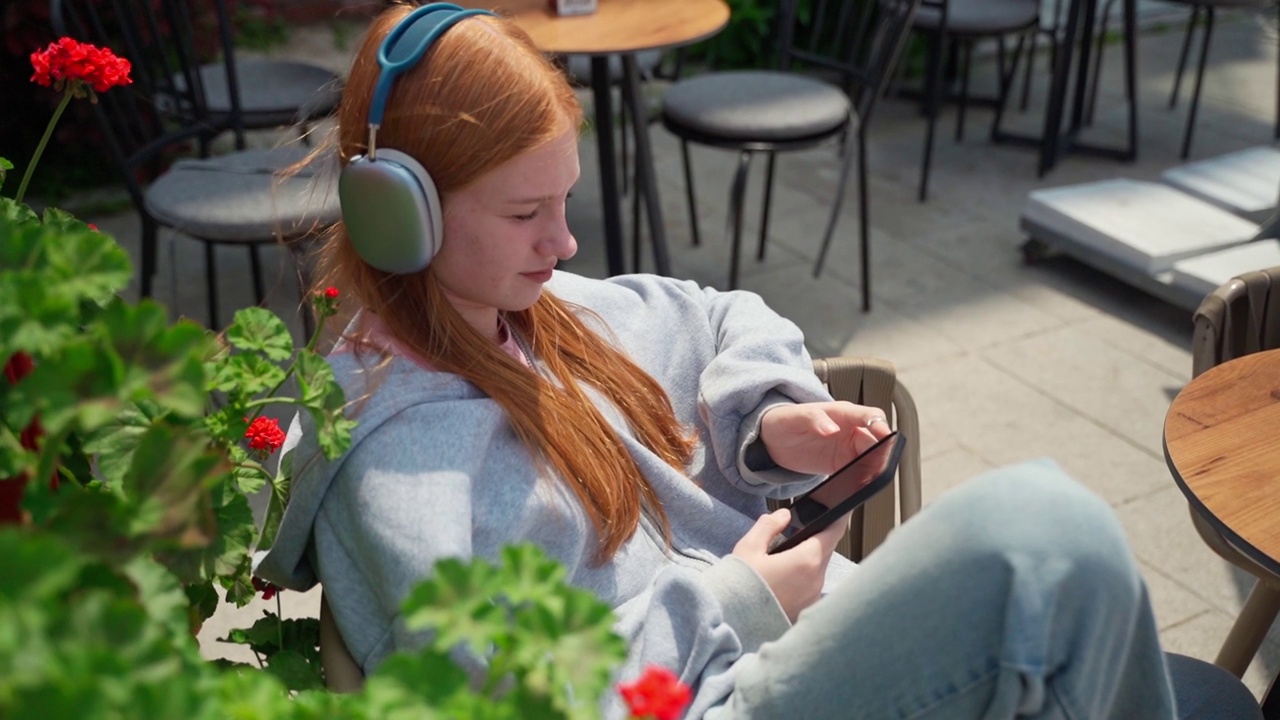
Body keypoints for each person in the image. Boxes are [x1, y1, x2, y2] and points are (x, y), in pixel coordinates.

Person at [254, 3, 1180, 718]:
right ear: (398, 214)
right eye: (525, 212)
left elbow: (717, 313)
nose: (566, 243)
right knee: (1043, 537)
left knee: (1057, 558)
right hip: (706, 695)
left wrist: (771, 416)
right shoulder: (400, 470)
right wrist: (736, 599)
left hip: (763, 653)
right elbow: (499, 693)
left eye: (564, 200)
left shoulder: (534, 310)